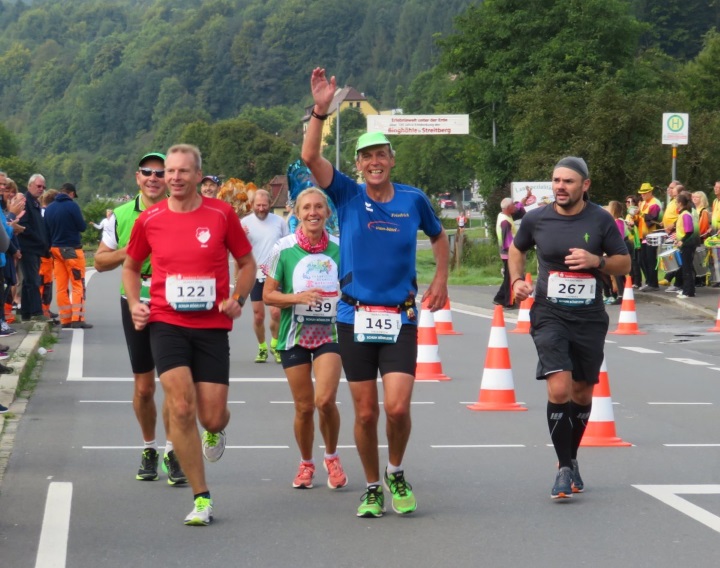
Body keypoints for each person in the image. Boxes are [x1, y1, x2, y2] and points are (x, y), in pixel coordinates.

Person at [301, 67, 449, 518]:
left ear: (392, 159)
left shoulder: (413, 199)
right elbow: (310, 156)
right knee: (366, 413)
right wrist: (320, 112)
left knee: (397, 408)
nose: (374, 162)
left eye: (381, 154)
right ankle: (371, 486)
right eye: (367, 157)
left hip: (401, 316)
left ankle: (395, 471)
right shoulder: (346, 195)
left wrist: (441, 279)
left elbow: (439, 236)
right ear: (359, 165)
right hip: (354, 317)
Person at [122, 143, 256, 526]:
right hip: (166, 323)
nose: (175, 177)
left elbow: (247, 263)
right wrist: (135, 303)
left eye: (183, 171)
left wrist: (238, 298)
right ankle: (201, 497)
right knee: (181, 407)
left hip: (212, 326)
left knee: (211, 417)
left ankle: (216, 429)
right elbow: (131, 267)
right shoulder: (150, 219)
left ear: (198, 175)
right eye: (170, 171)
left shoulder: (221, 214)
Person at [509, 156, 630, 499]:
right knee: (559, 388)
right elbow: (517, 250)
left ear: (585, 185)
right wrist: (516, 280)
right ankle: (563, 467)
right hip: (550, 314)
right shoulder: (536, 218)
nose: (560, 187)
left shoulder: (601, 219)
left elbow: (624, 263)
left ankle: (571, 457)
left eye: (568, 181)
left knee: (582, 393)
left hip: (589, 317)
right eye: (556, 181)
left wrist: (597, 261)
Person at [94, 151, 186, 485]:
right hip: (134, 300)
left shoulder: (182, 210)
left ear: (169, 179)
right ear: (137, 177)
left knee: (174, 384)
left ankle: (173, 451)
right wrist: (132, 250)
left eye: (160, 173)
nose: (153, 178)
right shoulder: (120, 216)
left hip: (172, 301)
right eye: (147, 172)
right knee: (145, 387)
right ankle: (149, 447)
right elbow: (100, 261)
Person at [263, 187, 347, 490]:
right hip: (294, 335)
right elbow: (268, 295)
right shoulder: (283, 248)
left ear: (327, 212)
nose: (313, 212)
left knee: (325, 400)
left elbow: (353, 285)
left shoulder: (340, 247)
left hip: (330, 333)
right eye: (307, 207)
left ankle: (332, 456)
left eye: (319, 207)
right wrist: (297, 297)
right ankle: (306, 463)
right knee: (304, 407)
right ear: (297, 214)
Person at [241, 188, 289, 364]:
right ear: (252, 204)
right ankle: (262, 347)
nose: (261, 208)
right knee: (258, 315)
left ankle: (275, 344)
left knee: (276, 313)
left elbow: (287, 246)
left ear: (270, 204)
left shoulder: (279, 222)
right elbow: (239, 249)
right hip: (255, 274)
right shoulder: (244, 223)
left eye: (264, 205)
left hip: (275, 273)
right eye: (258, 205)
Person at [44, 183, 91, 329]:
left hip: (55, 250)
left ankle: (65, 319)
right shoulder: (72, 206)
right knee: (78, 284)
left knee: (61, 286)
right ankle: (77, 318)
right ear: (71, 193)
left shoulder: (49, 208)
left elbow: (46, 231)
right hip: (71, 249)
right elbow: (82, 227)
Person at [17, 174, 51, 322]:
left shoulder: (35, 203)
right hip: (28, 247)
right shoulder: (26, 203)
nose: (41, 189)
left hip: (35, 248)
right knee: (33, 280)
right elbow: (24, 226)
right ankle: (37, 312)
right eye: (38, 186)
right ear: (30, 185)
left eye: (43, 187)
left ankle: (26, 313)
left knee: (28, 281)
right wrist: (40, 240)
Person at [493, 195, 527, 308]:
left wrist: (523, 201)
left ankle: (499, 298)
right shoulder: (505, 222)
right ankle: (507, 302)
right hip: (508, 254)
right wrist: (516, 250)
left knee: (508, 277)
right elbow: (507, 241)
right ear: (508, 208)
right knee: (510, 278)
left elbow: (518, 212)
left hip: (506, 253)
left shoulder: (504, 214)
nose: (515, 207)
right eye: (513, 205)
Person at [636, 182, 663, 292]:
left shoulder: (655, 203)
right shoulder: (643, 203)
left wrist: (640, 213)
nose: (642, 195)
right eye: (641, 193)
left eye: (645, 193)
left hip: (652, 235)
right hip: (643, 235)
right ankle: (649, 281)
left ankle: (653, 283)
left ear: (650, 192)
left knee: (651, 259)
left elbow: (652, 219)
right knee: (644, 259)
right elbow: (641, 219)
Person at [39, 189, 59, 323]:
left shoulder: (41, 212)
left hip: (43, 252)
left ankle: (45, 309)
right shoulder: (46, 213)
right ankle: (43, 310)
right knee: (45, 283)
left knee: (46, 282)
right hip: (44, 252)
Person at [674, 191, 699, 299]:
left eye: (676, 202)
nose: (675, 204)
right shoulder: (683, 214)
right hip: (685, 243)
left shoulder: (685, 214)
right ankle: (687, 290)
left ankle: (688, 292)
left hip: (688, 244)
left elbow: (689, 231)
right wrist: (678, 239)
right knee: (685, 268)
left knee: (687, 268)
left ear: (680, 203)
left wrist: (682, 241)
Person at [623, 194, 642, 288]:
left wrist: (631, 226)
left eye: (630, 202)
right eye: (627, 202)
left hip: (635, 240)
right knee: (630, 261)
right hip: (629, 239)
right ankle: (633, 280)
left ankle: (637, 281)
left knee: (635, 262)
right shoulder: (628, 214)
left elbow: (636, 225)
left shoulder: (635, 213)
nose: (628, 203)